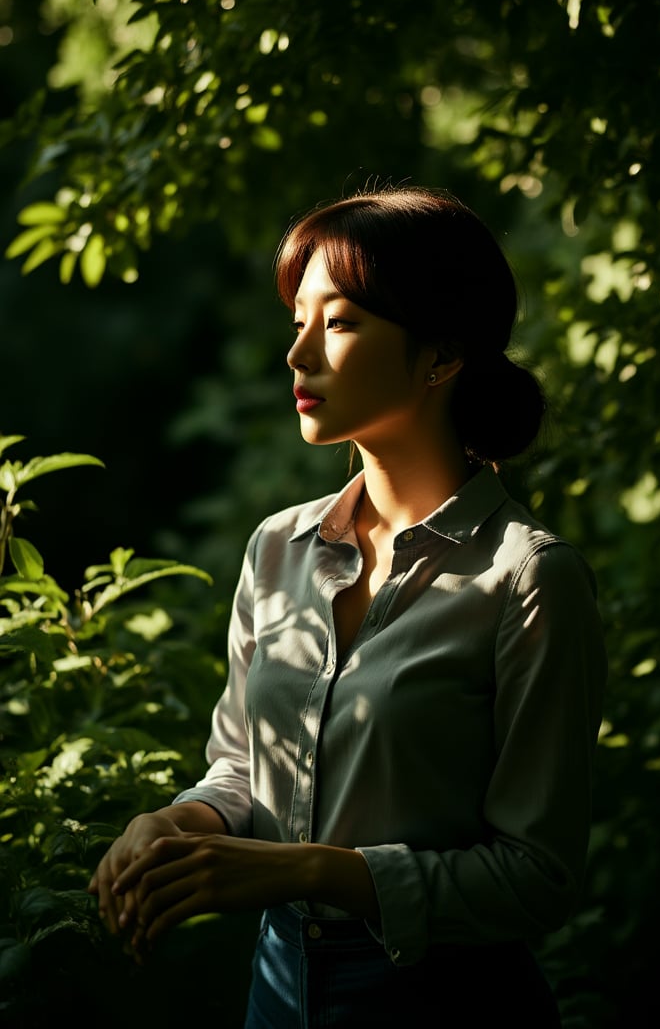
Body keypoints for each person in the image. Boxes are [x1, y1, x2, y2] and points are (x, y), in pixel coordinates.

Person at [88, 184, 606, 1027]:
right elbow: (244, 771)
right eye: (298, 321)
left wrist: (311, 872)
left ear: (440, 355)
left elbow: (535, 877)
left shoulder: (530, 580)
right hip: (276, 984)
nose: (298, 355)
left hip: (443, 1000)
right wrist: (177, 821)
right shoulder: (277, 549)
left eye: (338, 323)